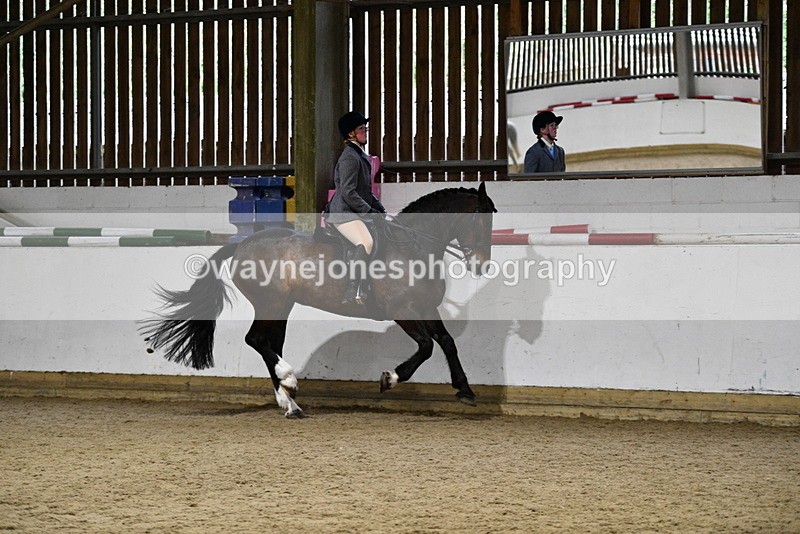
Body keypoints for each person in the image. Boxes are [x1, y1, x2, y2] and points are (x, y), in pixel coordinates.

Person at [327, 111, 386, 305]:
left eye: (365, 128)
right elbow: (348, 191)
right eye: (361, 128)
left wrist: (379, 209)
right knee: (366, 242)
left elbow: (365, 191)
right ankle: (352, 289)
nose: (365, 131)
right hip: (343, 213)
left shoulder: (360, 156)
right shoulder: (349, 158)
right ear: (351, 134)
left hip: (353, 211)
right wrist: (368, 211)